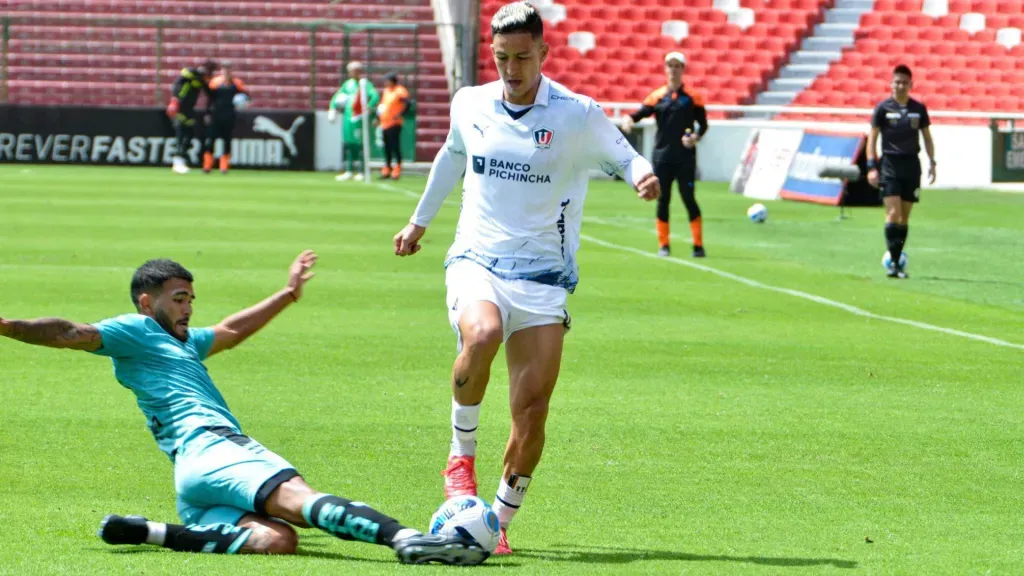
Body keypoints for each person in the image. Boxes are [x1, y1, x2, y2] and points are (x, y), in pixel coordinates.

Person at [0, 252, 486, 566]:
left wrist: (288, 294)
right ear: (148, 303)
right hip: (217, 446)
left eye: (191, 297)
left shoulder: (183, 343)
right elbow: (71, 333)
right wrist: (5, 325)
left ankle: (155, 533)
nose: (189, 307)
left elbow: (231, 331)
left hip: (193, 479)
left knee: (278, 540)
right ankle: (405, 538)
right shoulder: (137, 330)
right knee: (299, 500)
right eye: (179, 298)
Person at [392, 0, 660, 556]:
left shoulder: (576, 113)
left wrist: (644, 175)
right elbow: (451, 155)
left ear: (543, 52)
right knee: (482, 334)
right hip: (477, 260)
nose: (510, 69)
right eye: (500, 57)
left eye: (521, 57)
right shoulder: (471, 102)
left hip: (544, 276)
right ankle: (459, 463)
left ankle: (496, 521)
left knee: (532, 408)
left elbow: (625, 154)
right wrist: (419, 222)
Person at [621, 51, 709, 258]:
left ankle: (698, 245)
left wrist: (695, 137)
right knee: (662, 199)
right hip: (662, 157)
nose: (673, 69)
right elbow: (639, 113)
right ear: (665, 69)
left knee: (688, 198)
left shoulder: (693, 97)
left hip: (685, 157)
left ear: (683, 69)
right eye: (670, 65)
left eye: (677, 65)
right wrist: (629, 120)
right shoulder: (658, 95)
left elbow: (704, 124)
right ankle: (664, 245)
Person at [866, 64, 936, 279]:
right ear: (891, 84)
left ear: (911, 85)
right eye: (897, 82)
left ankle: (895, 259)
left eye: (904, 82)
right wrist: (871, 166)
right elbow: (873, 137)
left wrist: (932, 162)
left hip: (911, 166)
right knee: (893, 214)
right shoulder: (883, 109)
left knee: (904, 217)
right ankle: (894, 264)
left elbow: (926, 136)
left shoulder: (918, 108)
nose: (900, 86)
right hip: (889, 165)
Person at [328, 62, 380, 182]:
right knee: (349, 144)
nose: (353, 73)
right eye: (351, 70)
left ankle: (362, 171)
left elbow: (375, 95)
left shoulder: (364, 84)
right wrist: (332, 109)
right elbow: (337, 96)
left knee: (360, 144)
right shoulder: (348, 84)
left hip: (359, 118)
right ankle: (349, 170)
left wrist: (368, 106)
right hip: (348, 118)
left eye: (356, 70)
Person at [167, 59, 217, 174]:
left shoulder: (202, 81)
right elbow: (177, 84)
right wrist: (174, 100)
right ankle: (177, 162)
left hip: (189, 110)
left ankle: (181, 159)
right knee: (181, 134)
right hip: (179, 107)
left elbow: (210, 93)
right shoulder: (190, 73)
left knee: (188, 135)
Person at [202, 61, 248, 175]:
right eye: (225, 68)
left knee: (227, 141)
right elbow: (210, 99)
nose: (227, 70)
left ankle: (224, 166)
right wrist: (207, 113)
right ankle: (207, 165)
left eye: (229, 68)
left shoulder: (237, 83)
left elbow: (246, 97)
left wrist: (245, 104)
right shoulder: (215, 82)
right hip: (216, 115)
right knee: (210, 140)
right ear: (222, 70)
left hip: (229, 116)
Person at [377, 71, 411, 180]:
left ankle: (397, 169)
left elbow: (408, 103)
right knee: (387, 147)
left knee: (395, 146)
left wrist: (399, 114)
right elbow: (383, 106)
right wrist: (378, 118)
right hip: (385, 123)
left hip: (394, 123)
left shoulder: (399, 90)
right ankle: (387, 168)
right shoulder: (387, 91)